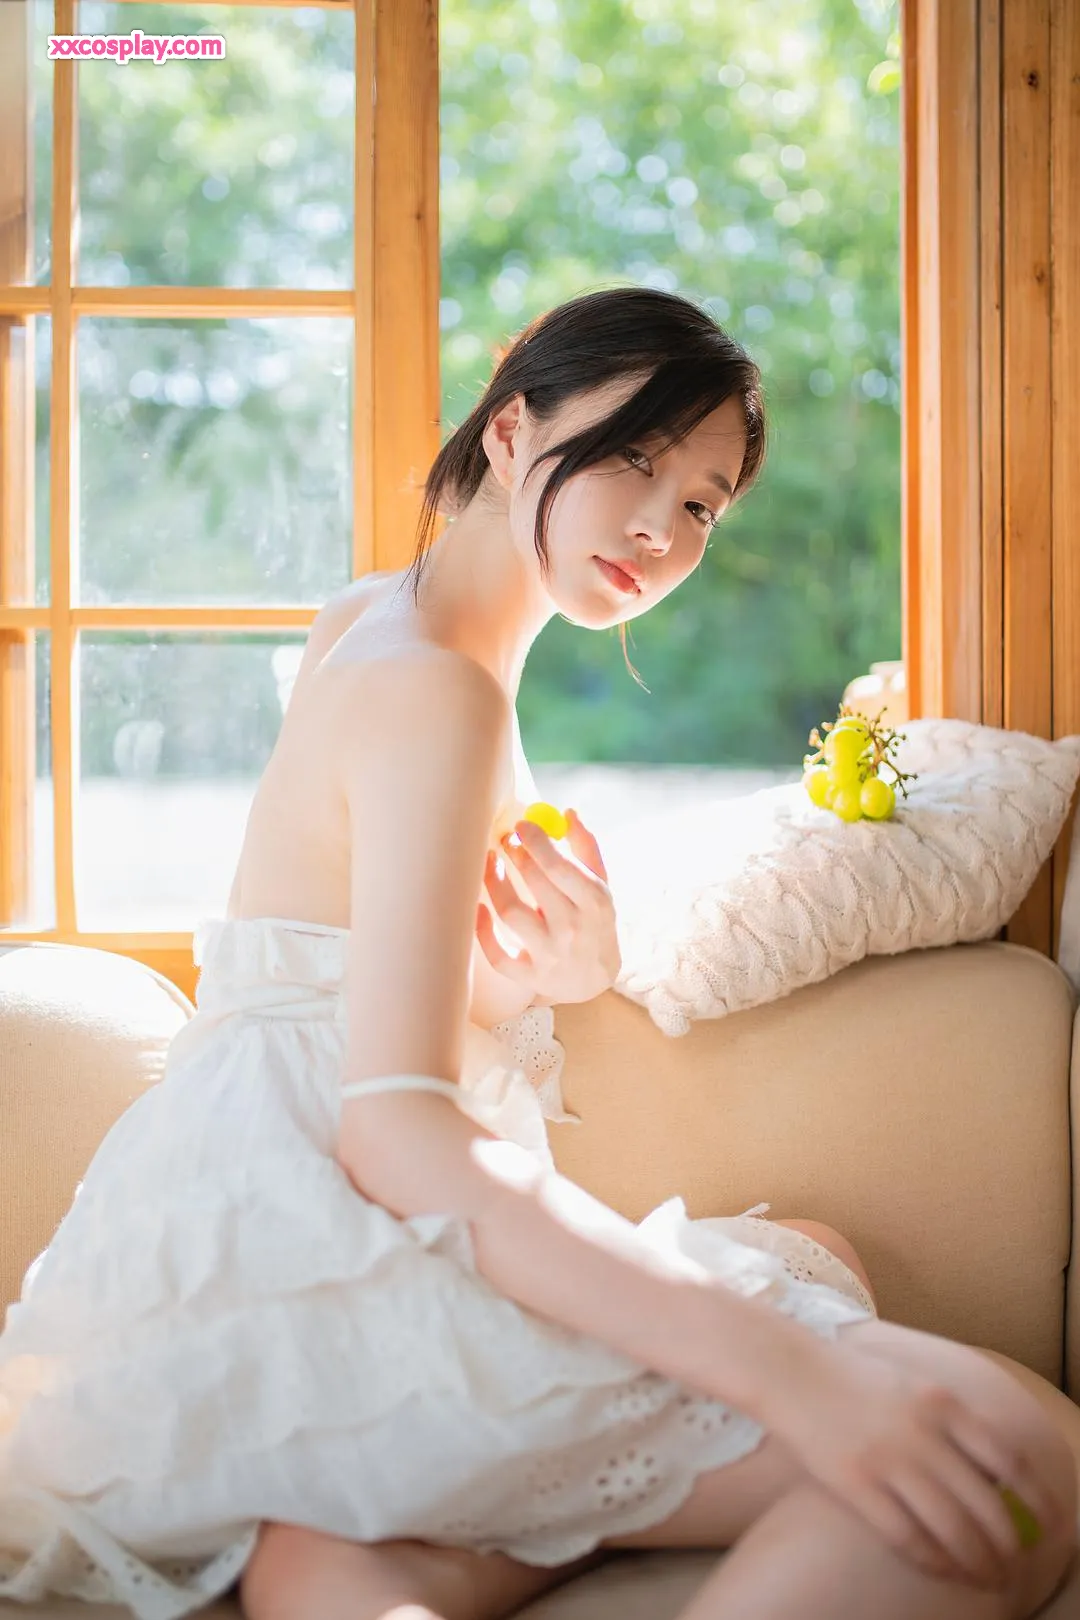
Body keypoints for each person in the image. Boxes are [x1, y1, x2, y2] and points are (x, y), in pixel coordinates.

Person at [0, 286, 1075, 1620]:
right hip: (332, 1229)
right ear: (511, 432)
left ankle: (347, 1553)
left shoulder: (381, 623)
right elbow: (395, 1131)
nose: (663, 528)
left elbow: (325, 972)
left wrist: (545, 975)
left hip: (226, 1226)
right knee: (1008, 1458)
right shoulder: (438, 688)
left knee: (813, 1252)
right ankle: (353, 1541)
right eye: (635, 457)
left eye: (703, 502)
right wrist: (793, 1380)